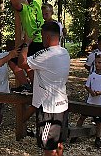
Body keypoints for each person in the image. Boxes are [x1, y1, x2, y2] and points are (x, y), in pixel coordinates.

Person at [18, 21, 70, 156]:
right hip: (62, 106)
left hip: (49, 109)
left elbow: (21, 62)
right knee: (59, 143)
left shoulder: (45, 54)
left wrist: (26, 44)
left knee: (49, 148)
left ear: (47, 37)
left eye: (42, 36)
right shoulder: (64, 52)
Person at [3, 0, 44, 84]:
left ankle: (29, 85)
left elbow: (15, 2)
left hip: (34, 42)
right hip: (39, 42)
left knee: (18, 62)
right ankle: (30, 85)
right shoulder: (36, 4)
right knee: (21, 62)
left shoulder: (24, 10)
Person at [71, 54, 101, 148]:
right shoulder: (92, 75)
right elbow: (87, 86)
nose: (97, 64)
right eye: (95, 62)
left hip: (100, 102)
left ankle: (98, 138)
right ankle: (75, 134)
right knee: (82, 117)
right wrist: (91, 92)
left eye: (99, 62)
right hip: (90, 101)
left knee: (98, 121)